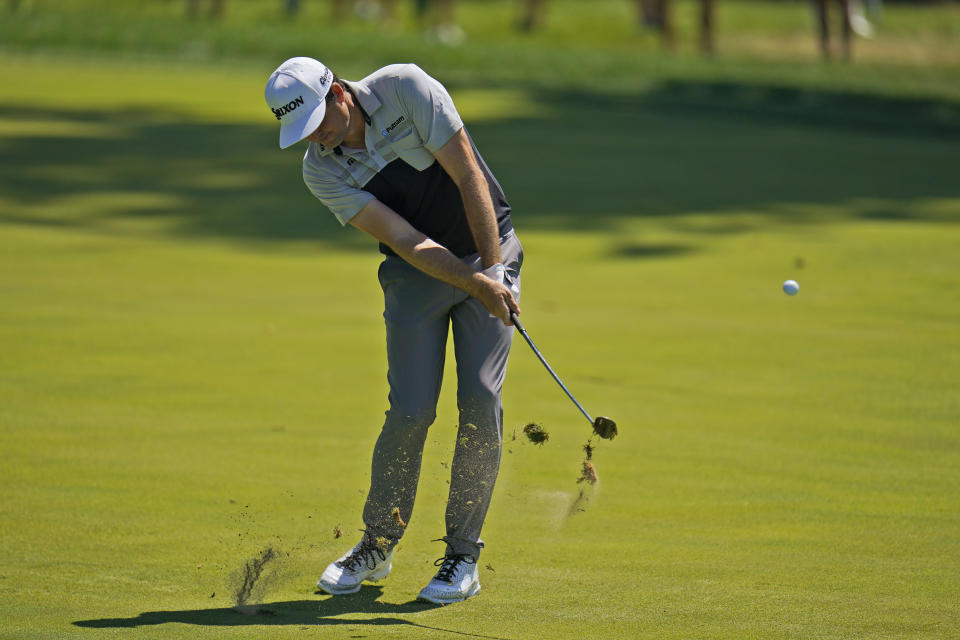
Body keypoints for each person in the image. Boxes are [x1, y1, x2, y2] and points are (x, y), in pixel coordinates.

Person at [264, 57, 522, 604]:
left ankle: (461, 557)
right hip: (416, 272)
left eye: (319, 121)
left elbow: (468, 173)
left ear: (338, 92)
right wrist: (474, 283)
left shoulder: (405, 88)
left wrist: (493, 273)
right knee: (409, 410)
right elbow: (406, 241)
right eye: (304, 132)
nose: (318, 138)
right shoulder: (321, 169)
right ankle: (378, 543)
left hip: (489, 246)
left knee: (479, 399)